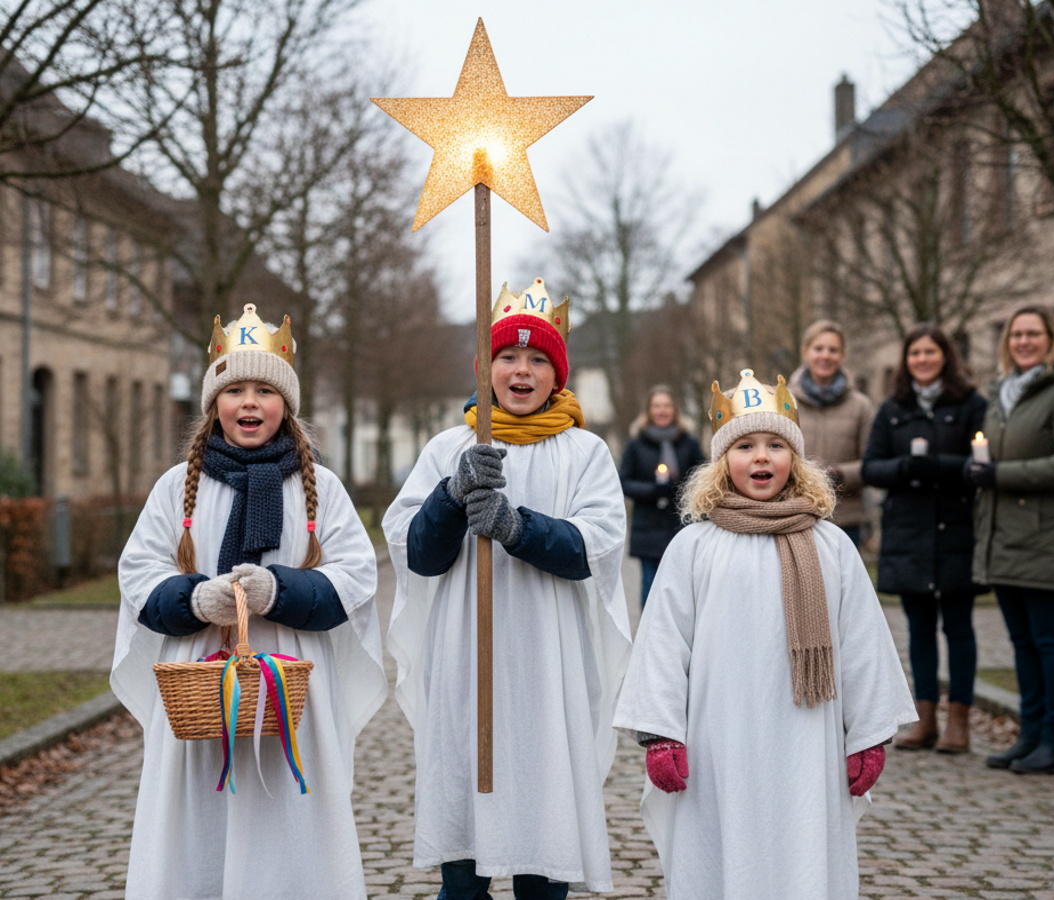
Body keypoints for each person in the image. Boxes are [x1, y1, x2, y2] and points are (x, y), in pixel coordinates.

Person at [112, 304, 386, 900]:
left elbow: (355, 575)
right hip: (198, 681)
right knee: (197, 824)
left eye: (265, 390)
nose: (250, 403)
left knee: (287, 822)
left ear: (286, 403)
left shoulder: (320, 490)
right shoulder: (175, 488)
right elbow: (139, 573)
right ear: (214, 404)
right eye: (234, 390)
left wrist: (279, 590)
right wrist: (195, 598)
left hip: (292, 687)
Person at [612, 368, 916, 900]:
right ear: (722, 460)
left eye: (776, 445)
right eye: (745, 445)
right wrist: (661, 733)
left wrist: (869, 733)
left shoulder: (830, 545)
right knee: (720, 845)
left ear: (794, 458)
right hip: (718, 738)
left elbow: (862, 642)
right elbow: (664, 642)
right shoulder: (694, 547)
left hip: (808, 737)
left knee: (803, 845)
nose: (761, 457)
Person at [383, 279, 631, 898]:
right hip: (465, 659)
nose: (522, 370)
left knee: (543, 832)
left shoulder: (585, 452)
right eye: (508, 356)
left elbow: (596, 546)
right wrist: (450, 495)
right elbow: (417, 553)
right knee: (464, 836)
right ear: (484, 367)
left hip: (548, 662)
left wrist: (518, 528)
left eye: (538, 358)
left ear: (558, 374)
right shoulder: (449, 448)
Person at [966, 305, 1054, 775]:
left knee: (1049, 640)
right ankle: (1031, 734)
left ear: (1051, 337)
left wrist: (999, 474)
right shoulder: (1004, 391)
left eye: (1033, 333)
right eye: (1016, 334)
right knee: (1022, 642)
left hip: (1045, 538)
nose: (1023, 341)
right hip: (1004, 537)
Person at [862, 324, 987, 754]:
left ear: (945, 356)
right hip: (909, 532)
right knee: (919, 630)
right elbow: (872, 466)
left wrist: (939, 466)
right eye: (915, 353)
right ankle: (926, 717)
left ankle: (959, 721)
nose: (923, 360)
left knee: (959, 627)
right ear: (906, 360)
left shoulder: (970, 404)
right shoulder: (893, 408)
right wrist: (904, 469)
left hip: (955, 528)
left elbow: (981, 460)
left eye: (930, 352)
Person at [787, 320, 877, 547]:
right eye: (818, 348)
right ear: (805, 352)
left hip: (845, 519)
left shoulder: (861, 406)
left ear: (842, 355)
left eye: (833, 350)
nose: (825, 356)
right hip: (794, 514)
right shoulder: (785, 403)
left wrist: (839, 475)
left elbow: (872, 462)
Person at [619, 385, 706, 606]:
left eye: (667, 405)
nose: (662, 410)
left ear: (675, 409)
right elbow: (624, 482)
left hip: (680, 524)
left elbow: (703, 476)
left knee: (681, 585)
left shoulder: (688, 442)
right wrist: (653, 490)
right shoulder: (636, 444)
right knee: (650, 586)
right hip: (648, 527)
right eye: (657, 406)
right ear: (648, 410)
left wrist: (678, 488)